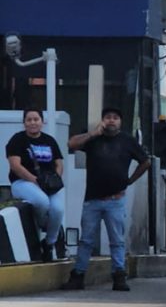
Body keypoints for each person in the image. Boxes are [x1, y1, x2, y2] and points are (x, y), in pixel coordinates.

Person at [62, 107, 151, 292]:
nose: (111, 120)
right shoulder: (93, 139)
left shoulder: (127, 141)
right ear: (102, 120)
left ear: (120, 122)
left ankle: (119, 276)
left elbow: (146, 162)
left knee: (116, 240)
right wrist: (92, 133)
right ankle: (78, 276)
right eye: (108, 117)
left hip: (115, 200)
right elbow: (71, 144)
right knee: (86, 240)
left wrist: (130, 181)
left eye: (115, 118)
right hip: (92, 200)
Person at [6, 108, 65, 261]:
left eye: (36, 119)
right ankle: (43, 224)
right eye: (29, 120)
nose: (33, 123)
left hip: (48, 185)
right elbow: (15, 166)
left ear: (42, 122)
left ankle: (49, 243)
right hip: (23, 182)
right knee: (42, 201)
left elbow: (59, 163)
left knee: (58, 209)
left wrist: (54, 179)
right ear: (24, 122)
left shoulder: (50, 140)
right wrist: (35, 180)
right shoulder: (17, 140)